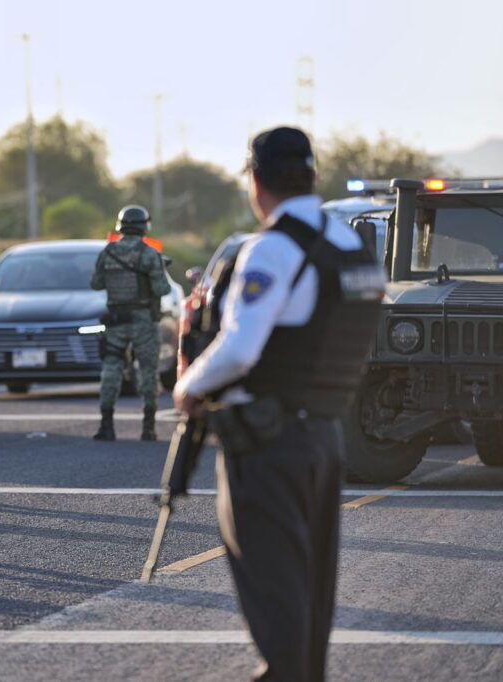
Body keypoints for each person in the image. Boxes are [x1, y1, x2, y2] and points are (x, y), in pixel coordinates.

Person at [173, 126, 384, 681]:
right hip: (324, 440)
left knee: (276, 600)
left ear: (257, 182)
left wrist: (189, 387)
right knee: (310, 600)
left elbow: (240, 347)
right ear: (314, 177)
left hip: (266, 446)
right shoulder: (352, 245)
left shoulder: (272, 247)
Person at [90, 205, 171, 441]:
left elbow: (96, 284)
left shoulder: (108, 253)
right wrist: (160, 269)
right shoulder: (149, 254)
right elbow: (162, 289)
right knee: (148, 371)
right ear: (145, 226)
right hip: (143, 320)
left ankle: (106, 425)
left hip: (116, 320)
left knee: (111, 369)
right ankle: (148, 427)